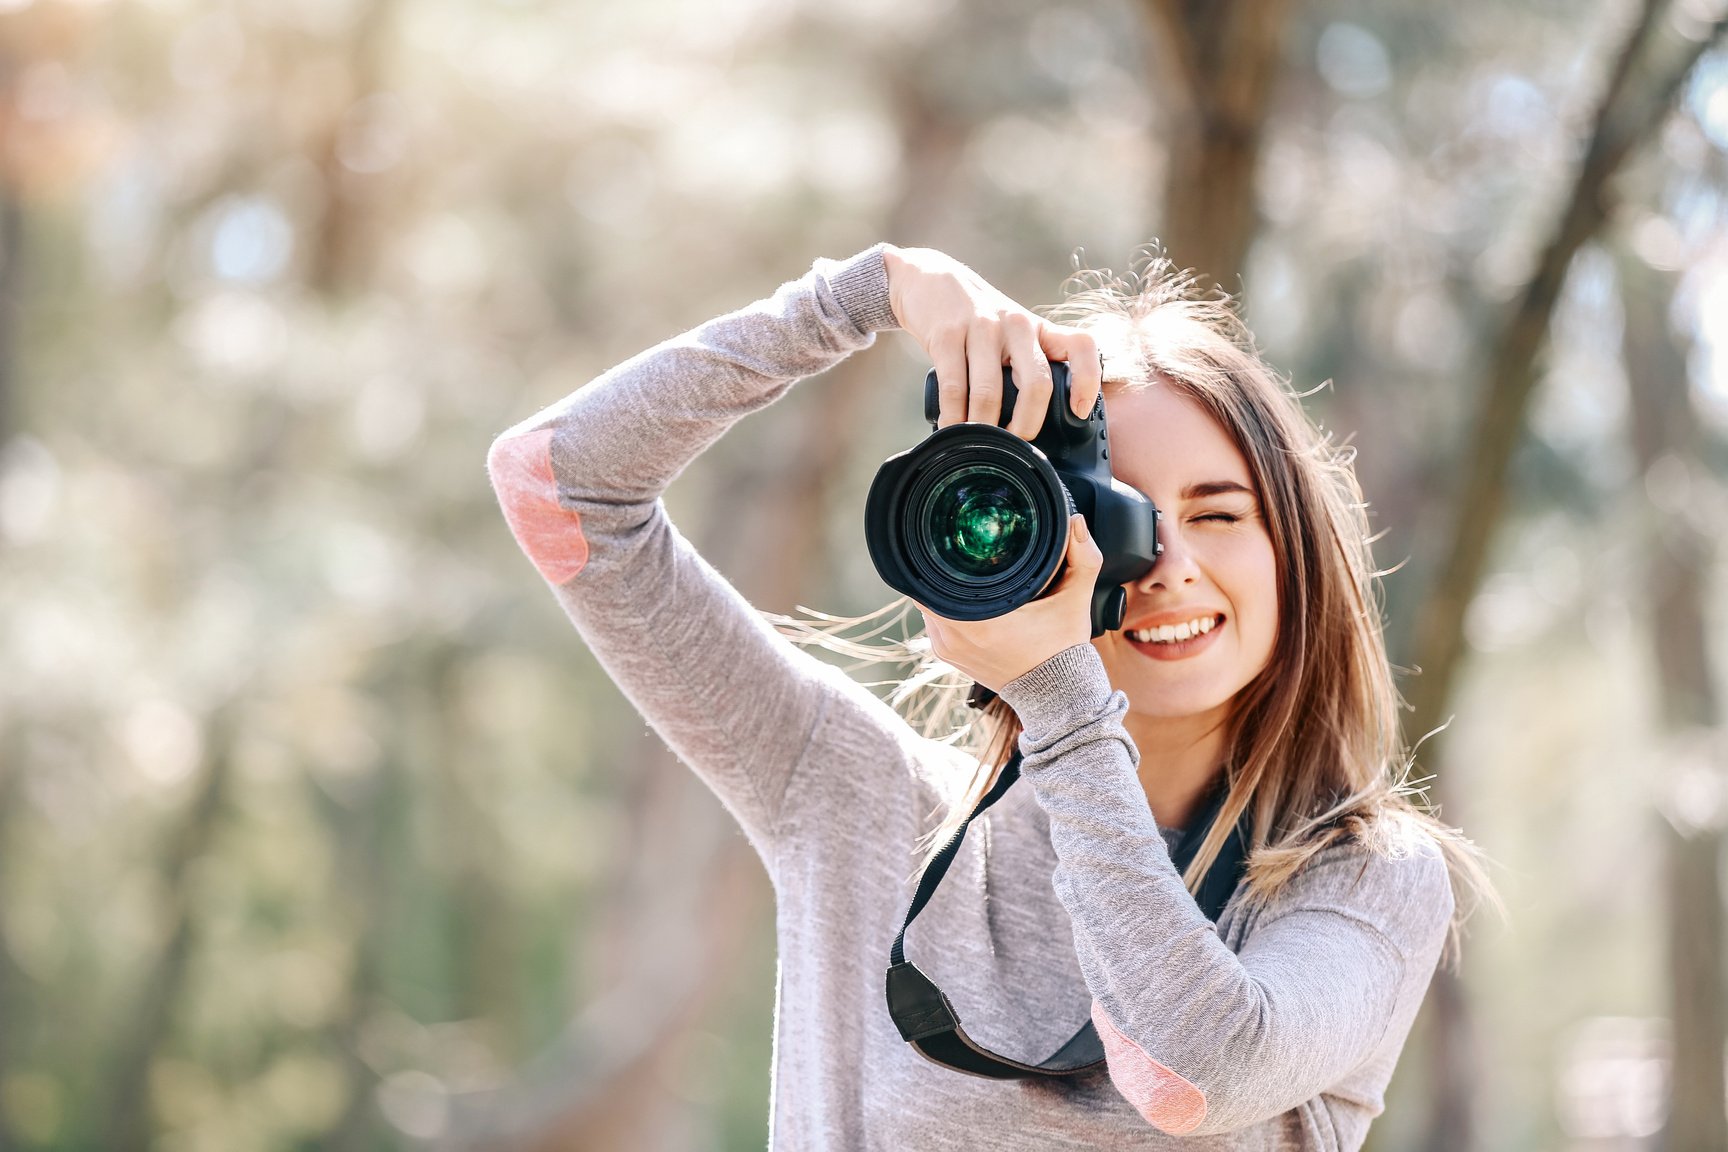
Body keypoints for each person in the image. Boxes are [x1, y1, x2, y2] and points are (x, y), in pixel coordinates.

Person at [486, 242, 1495, 1149]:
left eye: (1219, 512)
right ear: (1026, 542)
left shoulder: (1363, 878)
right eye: (1115, 517)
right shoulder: (859, 797)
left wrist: (1058, 696)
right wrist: (862, 295)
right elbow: (559, 485)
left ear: (1295, 553)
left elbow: (1189, 1074)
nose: (1168, 564)